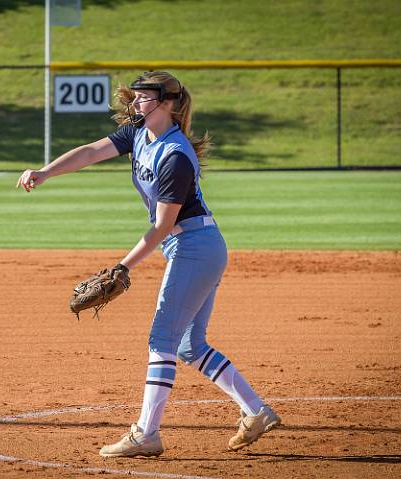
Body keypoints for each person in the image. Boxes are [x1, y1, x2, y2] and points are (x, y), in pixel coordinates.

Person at [16, 71, 281, 457]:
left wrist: (122, 267)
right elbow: (91, 152)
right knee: (190, 345)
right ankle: (256, 412)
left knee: (162, 341)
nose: (136, 103)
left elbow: (162, 225)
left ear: (168, 104)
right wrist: (46, 172)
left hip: (194, 246)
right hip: (194, 247)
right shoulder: (138, 132)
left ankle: (146, 434)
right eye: (136, 96)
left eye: (144, 97)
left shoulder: (175, 156)